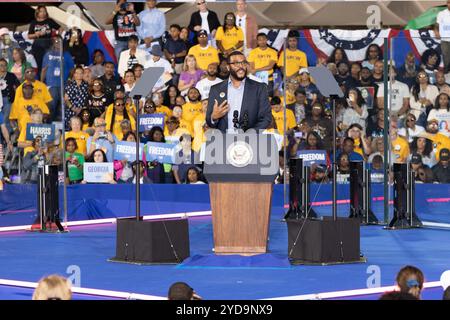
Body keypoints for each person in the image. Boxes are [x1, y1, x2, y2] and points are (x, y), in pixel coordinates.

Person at [206, 51, 272, 133]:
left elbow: (266, 118)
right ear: (228, 67)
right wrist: (214, 117)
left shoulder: (259, 88)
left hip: (250, 141)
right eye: (236, 63)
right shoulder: (215, 89)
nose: (241, 66)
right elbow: (209, 121)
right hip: (223, 141)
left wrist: (249, 135)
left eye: (243, 63)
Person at [41, 37, 74, 122]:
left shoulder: (66, 54)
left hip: (63, 84)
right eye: (56, 42)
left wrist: (69, 79)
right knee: (51, 106)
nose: (57, 43)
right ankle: (49, 124)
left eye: (59, 42)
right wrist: (41, 83)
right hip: (51, 84)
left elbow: (72, 70)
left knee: (62, 107)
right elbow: (44, 69)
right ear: (53, 43)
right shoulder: (48, 54)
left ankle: (61, 126)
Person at [27, 6, 61, 74]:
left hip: (48, 43)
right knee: (38, 63)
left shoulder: (49, 21)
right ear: (37, 12)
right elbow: (29, 36)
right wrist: (36, 34)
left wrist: (56, 36)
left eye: (44, 11)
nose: (43, 13)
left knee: (48, 63)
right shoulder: (34, 22)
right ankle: (40, 80)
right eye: (41, 11)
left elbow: (60, 28)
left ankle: (48, 79)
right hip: (37, 43)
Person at [63, 66, 89, 130]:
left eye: (81, 73)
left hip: (82, 111)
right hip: (70, 110)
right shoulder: (69, 85)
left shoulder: (87, 85)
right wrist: (72, 108)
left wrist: (81, 109)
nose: (79, 74)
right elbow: (66, 99)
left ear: (83, 74)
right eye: (77, 73)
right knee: (69, 128)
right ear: (74, 74)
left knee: (82, 128)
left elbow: (88, 99)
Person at [0, 58, 20, 132]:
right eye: (1, 65)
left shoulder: (11, 75)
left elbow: (18, 86)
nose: (3, 67)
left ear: (7, 66)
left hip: (8, 100)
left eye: (5, 65)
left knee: (6, 119)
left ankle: (8, 136)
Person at [435, 0, 450, 74]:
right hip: (445, 40)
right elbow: (436, 25)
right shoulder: (441, 13)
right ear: (447, 3)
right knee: (446, 58)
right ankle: (446, 73)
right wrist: (436, 32)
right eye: (449, 2)